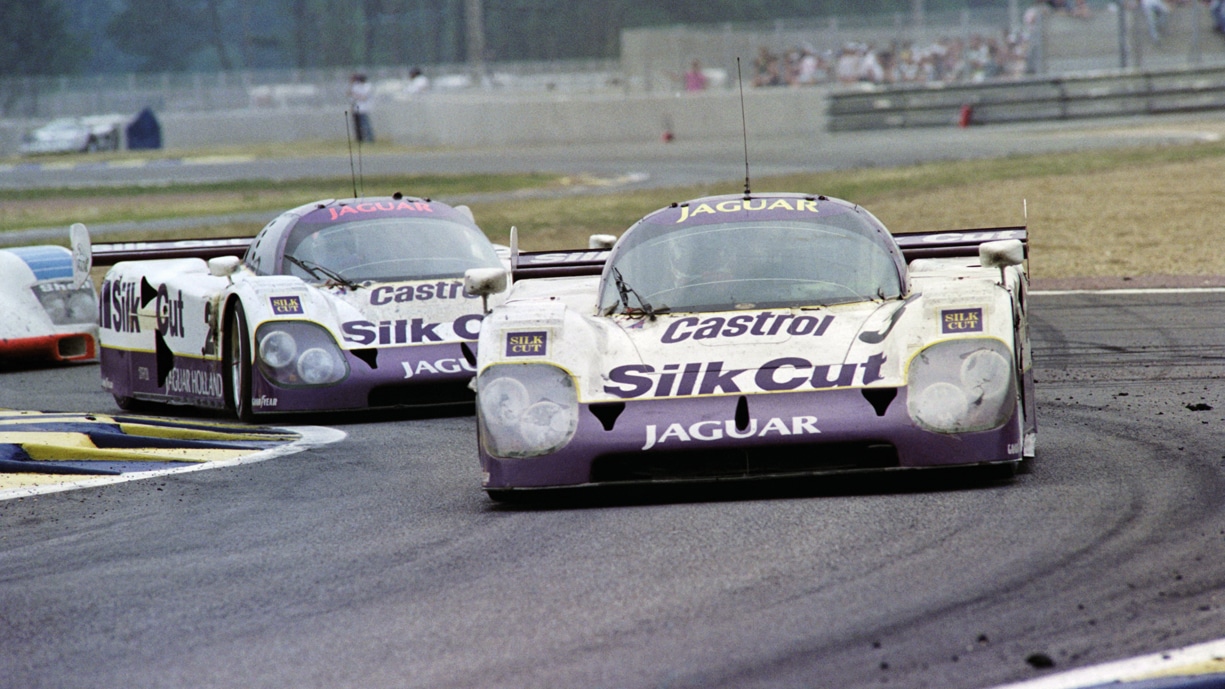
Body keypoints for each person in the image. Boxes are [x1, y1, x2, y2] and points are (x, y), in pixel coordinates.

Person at [347, 73, 374, 143]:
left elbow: (363, 97)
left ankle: (370, 139)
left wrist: (354, 94)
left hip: (364, 108)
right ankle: (359, 139)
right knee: (357, 125)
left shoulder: (367, 86)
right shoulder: (356, 86)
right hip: (356, 108)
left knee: (365, 124)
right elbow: (350, 95)